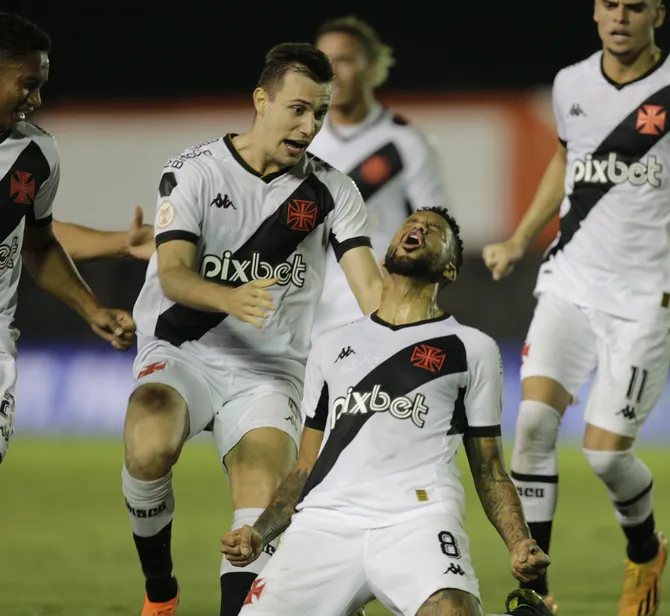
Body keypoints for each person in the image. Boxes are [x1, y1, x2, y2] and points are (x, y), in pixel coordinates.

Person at [482, 1, 670, 614]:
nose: (621, 17)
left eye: (635, 5)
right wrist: (523, 237)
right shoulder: (570, 84)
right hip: (570, 281)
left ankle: (643, 552)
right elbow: (564, 157)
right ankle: (535, 593)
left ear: (658, 11)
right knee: (531, 426)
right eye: (610, 5)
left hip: (647, 299)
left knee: (605, 454)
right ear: (595, 12)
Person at [122, 42, 384, 616]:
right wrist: (229, 297)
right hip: (184, 350)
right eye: (297, 109)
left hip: (268, 372)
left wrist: (416, 334)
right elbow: (171, 274)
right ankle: (161, 594)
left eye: (319, 112)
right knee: (148, 446)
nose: (309, 125)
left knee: (260, 503)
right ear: (261, 101)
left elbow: (373, 294)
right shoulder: (194, 170)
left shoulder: (333, 192)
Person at [219, 207, 552, 616]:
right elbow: (305, 466)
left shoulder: (471, 348)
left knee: (453, 611)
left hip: (418, 518)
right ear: (386, 253)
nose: (418, 227)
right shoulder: (329, 346)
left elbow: (489, 468)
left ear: (449, 271)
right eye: (411, 223)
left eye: (434, 230)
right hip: (324, 525)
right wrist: (260, 531)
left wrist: (519, 542)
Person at [0, 13, 138, 464]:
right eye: (27, 83)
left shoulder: (36, 154)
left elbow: (38, 244)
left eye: (40, 84)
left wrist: (91, 307)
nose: (36, 98)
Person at [309, 15, 450, 339]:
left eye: (344, 61)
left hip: (377, 311)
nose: (332, 73)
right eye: (322, 62)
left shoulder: (406, 142)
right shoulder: (301, 139)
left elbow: (439, 227)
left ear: (372, 67)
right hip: (308, 315)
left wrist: (404, 284)